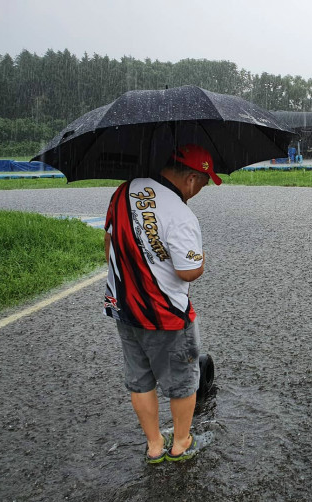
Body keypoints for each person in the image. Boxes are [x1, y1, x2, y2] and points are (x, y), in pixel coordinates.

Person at [103, 144, 221, 463]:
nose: (200, 190)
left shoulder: (123, 191)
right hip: (166, 313)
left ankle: (154, 446)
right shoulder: (180, 213)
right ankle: (181, 443)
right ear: (193, 179)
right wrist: (202, 255)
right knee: (182, 380)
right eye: (204, 182)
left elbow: (109, 243)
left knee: (140, 378)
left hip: (123, 305)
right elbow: (189, 270)